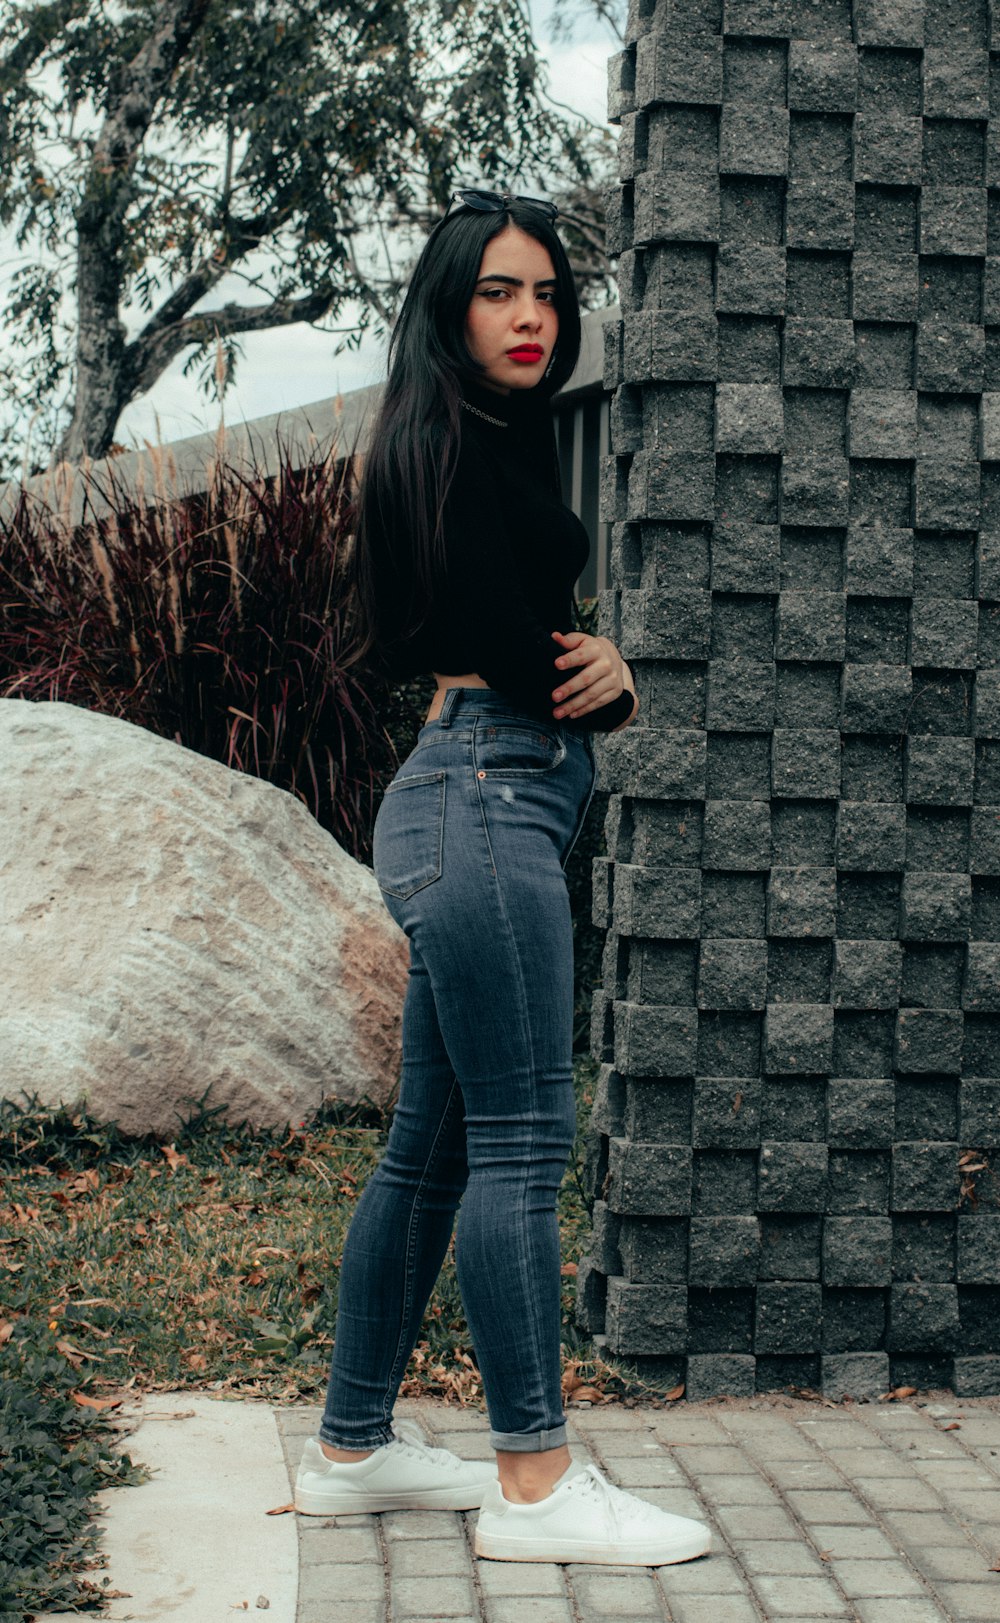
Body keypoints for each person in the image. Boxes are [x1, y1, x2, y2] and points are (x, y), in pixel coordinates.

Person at [294, 189, 711, 1567]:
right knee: (524, 1144)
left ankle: (355, 1445)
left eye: (545, 293)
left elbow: (475, 614)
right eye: (497, 292)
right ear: (449, 306)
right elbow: (458, 620)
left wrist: (587, 676)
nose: (530, 316)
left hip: (467, 793)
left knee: (433, 1148)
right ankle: (534, 1481)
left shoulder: (463, 435)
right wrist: (604, 689)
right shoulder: (448, 443)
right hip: (486, 796)